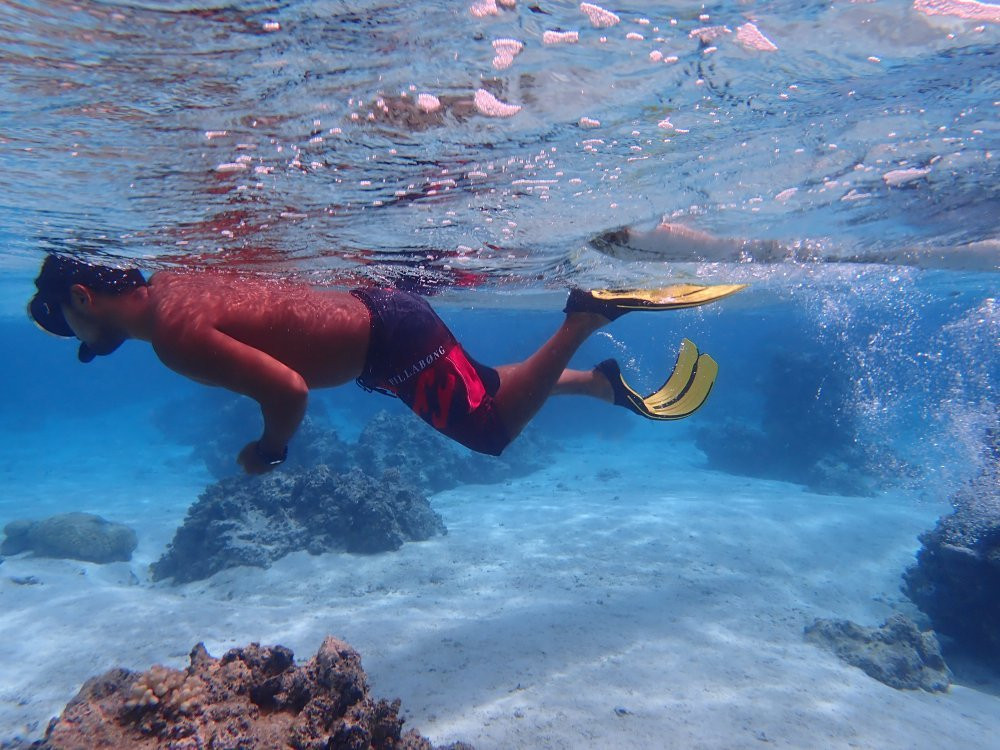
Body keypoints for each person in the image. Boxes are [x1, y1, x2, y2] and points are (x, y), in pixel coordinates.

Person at [28, 255, 744, 473]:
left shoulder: (172, 334)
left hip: (388, 340)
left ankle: (585, 315)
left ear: (84, 298)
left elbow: (288, 388)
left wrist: (269, 448)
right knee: (484, 387)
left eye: (71, 330)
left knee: (490, 427)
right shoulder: (179, 279)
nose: (84, 346)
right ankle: (597, 384)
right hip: (380, 333)